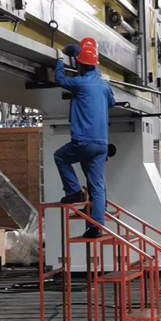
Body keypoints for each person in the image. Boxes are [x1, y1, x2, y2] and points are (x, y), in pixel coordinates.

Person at [54, 38, 117, 240]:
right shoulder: (104, 85)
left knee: (60, 157)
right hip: (101, 144)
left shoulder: (79, 83)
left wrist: (60, 60)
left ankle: (74, 191)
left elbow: (60, 80)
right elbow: (111, 102)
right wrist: (77, 51)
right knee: (97, 185)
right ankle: (95, 227)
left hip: (83, 141)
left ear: (80, 65)